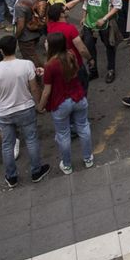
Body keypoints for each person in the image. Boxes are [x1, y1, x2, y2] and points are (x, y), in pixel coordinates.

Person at [0, 34, 51, 187]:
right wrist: (38, 104)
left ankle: (11, 176)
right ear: (15, 48)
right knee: (31, 139)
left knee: (7, 144)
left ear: (1, 51)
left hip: (4, 112)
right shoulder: (27, 65)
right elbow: (34, 88)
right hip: (25, 108)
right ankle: (36, 171)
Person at [38, 32, 94, 175]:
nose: (45, 44)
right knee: (83, 127)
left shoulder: (50, 65)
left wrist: (40, 106)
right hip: (79, 98)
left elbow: (46, 91)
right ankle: (88, 158)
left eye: (47, 42)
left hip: (61, 103)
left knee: (63, 135)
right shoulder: (71, 55)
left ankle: (67, 165)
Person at [68, 0, 120, 83]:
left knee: (109, 46)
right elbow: (87, 1)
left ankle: (111, 69)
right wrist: (84, 16)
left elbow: (118, 6)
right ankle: (93, 70)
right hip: (89, 23)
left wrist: (104, 18)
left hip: (105, 24)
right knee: (89, 46)